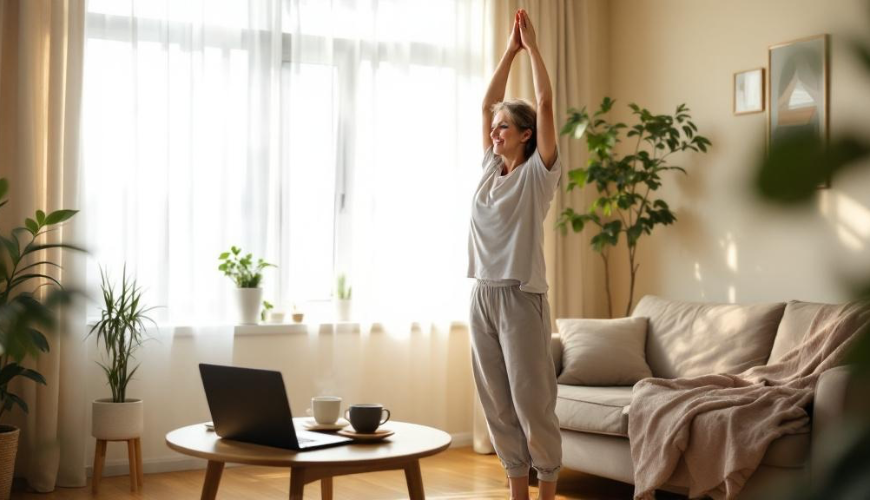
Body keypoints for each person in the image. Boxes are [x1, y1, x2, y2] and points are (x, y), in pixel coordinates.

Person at [467, 8, 562, 500]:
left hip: (521, 297)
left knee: (531, 402)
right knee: (497, 406)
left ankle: (545, 492)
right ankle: (516, 495)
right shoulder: (489, 168)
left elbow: (544, 102)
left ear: (526, 134)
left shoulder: (536, 175)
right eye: (495, 127)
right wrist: (508, 52)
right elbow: (486, 105)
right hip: (482, 293)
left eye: (504, 127)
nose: (494, 132)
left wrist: (533, 49)